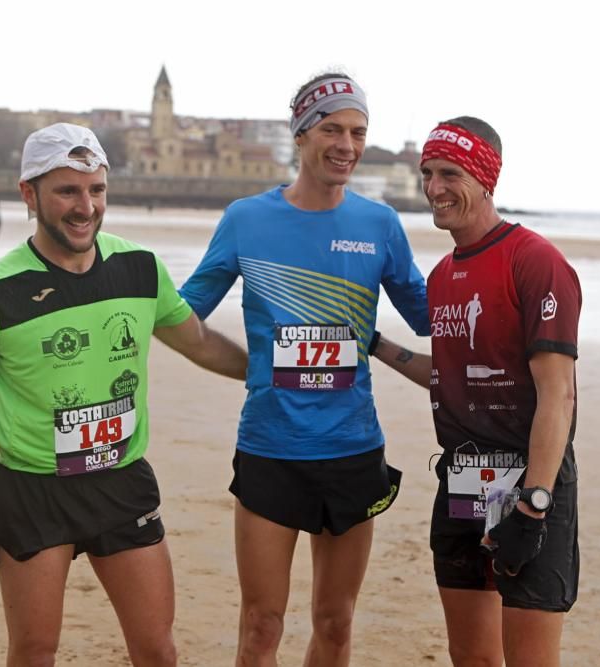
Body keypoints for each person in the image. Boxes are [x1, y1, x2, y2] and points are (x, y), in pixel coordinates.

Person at [0, 122, 248, 666]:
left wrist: (275, 373)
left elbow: (202, 344)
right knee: (33, 652)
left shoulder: (139, 268)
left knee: (157, 650)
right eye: (67, 190)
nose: (85, 206)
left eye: (96, 189)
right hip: (35, 491)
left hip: (122, 482)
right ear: (29, 195)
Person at [179, 73, 430, 666]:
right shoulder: (247, 219)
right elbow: (181, 317)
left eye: (358, 132)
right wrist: (249, 367)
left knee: (335, 623)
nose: (347, 144)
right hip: (271, 449)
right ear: (301, 133)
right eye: (333, 128)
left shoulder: (379, 225)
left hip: (351, 449)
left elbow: (433, 319)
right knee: (261, 626)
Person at [371, 117, 581, 667]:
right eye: (428, 174)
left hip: (530, 486)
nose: (435, 188)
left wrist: (533, 507)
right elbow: (451, 375)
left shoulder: (535, 261)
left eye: (450, 174)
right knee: (472, 658)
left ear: (486, 179)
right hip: (462, 483)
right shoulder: (442, 276)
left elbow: (558, 397)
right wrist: (374, 345)